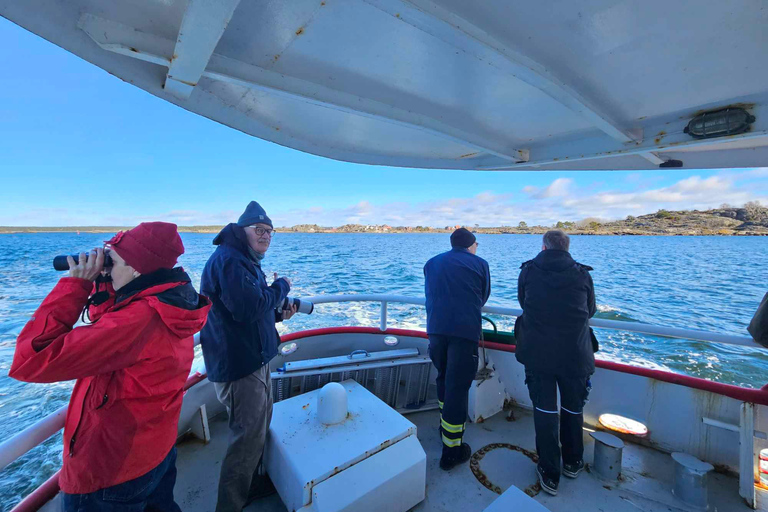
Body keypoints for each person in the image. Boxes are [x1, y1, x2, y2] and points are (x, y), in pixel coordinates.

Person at [10, 222, 210, 511]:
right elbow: (106, 319)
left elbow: (30, 361)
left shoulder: (137, 320)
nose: (104, 265)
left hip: (111, 471)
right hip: (153, 451)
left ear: (137, 269)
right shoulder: (169, 301)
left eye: (111, 260)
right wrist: (108, 278)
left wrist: (75, 285)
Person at [200, 201, 298, 512]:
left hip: (252, 358)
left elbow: (250, 310)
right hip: (240, 365)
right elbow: (245, 309)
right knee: (245, 439)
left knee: (256, 430)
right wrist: (281, 286)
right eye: (260, 230)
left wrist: (278, 314)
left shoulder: (244, 260)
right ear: (242, 230)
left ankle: (250, 484)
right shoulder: (231, 261)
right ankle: (229, 505)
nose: (266, 235)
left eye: (270, 231)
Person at [515, 229, 596, 496]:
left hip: (538, 354)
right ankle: (573, 461)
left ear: (544, 247)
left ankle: (550, 472)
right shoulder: (582, 274)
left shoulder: (528, 271)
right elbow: (591, 309)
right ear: (567, 247)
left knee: (546, 411)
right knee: (573, 409)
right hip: (575, 353)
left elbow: (523, 302)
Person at [423, 227, 491, 471]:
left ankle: (445, 425)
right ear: (471, 245)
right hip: (464, 332)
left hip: (436, 330)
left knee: (443, 378)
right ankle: (451, 450)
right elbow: (482, 297)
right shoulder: (480, 264)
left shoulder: (431, 263)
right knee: (458, 387)